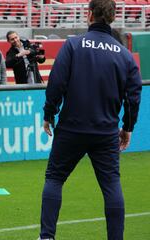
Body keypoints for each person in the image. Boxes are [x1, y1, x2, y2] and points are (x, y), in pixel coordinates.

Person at [38, 0, 142, 239]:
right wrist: (127, 127)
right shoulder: (125, 55)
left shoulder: (73, 45)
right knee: (111, 186)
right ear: (113, 17)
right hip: (105, 132)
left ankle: (46, 237)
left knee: (54, 179)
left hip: (71, 128)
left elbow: (56, 83)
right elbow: (133, 96)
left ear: (90, 14)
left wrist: (48, 113)